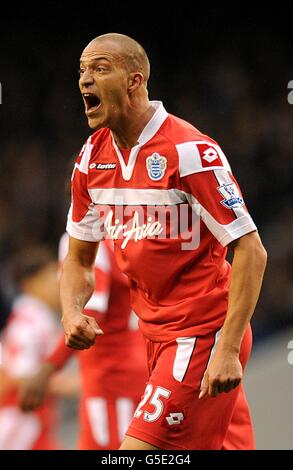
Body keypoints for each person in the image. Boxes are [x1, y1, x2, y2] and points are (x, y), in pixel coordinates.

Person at [60, 33, 267, 450]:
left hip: (202, 332)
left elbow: (251, 250)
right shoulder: (90, 158)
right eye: (83, 70)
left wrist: (226, 349)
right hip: (153, 337)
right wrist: (71, 311)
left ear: (135, 80)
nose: (86, 80)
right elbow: (80, 258)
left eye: (100, 69)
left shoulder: (189, 151)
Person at [20, 234, 148, 450]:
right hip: (134, 368)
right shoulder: (128, 231)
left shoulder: (86, 234)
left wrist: (47, 369)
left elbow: (89, 315)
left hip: (113, 379)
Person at [0, 246, 61, 450]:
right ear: (30, 284)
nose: (58, 283)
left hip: (32, 418)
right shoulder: (30, 322)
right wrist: (79, 384)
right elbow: (19, 372)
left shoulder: (37, 316)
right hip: (22, 421)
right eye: (51, 276)